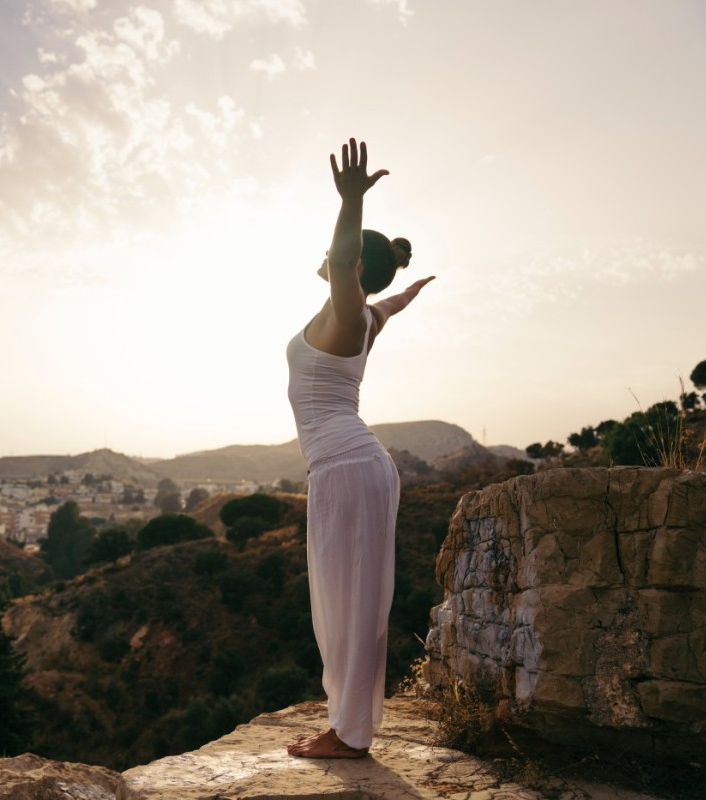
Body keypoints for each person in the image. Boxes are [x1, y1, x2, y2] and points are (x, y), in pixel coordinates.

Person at [285, 138, 434, 759]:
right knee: (352, 597)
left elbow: (348, 266)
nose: (327, 257)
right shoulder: (366, 317)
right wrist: (405, 281)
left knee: (347, 601)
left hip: (348, 467)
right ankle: (350, 724)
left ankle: (348, 734)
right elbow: (391, 302)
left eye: (336, 256)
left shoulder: (349, 315)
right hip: (353, 465)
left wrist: (349, 204)